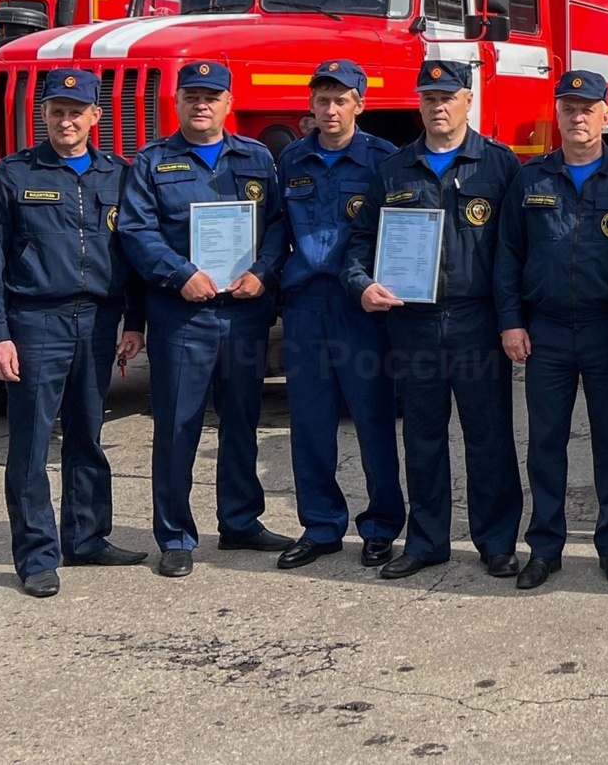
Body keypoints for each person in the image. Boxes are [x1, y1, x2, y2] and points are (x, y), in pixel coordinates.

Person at [343, 59, 523, 581]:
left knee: (488, 437)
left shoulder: (498, 165)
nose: (437, 105)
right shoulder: (395, 169)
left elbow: (515, 251)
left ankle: (495, 542)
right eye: (428, 97)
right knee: (422, 437)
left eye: (447, 96)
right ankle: (426, 541)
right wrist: (363, 285)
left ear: (468, 100)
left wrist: (513, 319)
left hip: (476, 320)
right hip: (413, 324)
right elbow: (360, 241)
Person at [0, 68, 147, 596]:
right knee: (29, 444)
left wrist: (134, 322)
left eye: (76, 111)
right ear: (43, 115)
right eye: (56, 110)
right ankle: (37, 556)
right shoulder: (13, 173)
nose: (66, 120)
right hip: (34, 323)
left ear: (96, 117)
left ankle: (87, 537)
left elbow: (132, 254)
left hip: (96, 323)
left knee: (88, 436)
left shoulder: (117, 174)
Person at [120, 60, 291, 577]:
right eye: (192, 95)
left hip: (243, 312)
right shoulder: (152, 162)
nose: (202, 104)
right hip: (183, 314)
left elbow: (278, 224)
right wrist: (179, 274)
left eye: (212, 96)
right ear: (177, 101)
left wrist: (263, 272)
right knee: (178, 424)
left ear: (228, 102)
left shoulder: (258, 158)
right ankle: (174, 534)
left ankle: (240, 522)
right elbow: (136, 232)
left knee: (241, 420)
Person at [496, 70, 608, 591]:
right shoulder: (531, 178)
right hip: (545, 332)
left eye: (588, 107)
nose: (578, 116)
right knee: (545, 442)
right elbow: (508, 256)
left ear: (607, 114)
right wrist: (511, 322)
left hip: (606, 330)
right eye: (569, 107)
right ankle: (544, 548)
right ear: (557, 114)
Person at [271, 60, 403, 571]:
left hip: (361, 310)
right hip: (305, 307)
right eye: (322, 99)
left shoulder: (382, 160)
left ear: (359, 105)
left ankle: (381, 525)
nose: (330, 109)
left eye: (341, 99)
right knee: (310, 422)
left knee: (372, 420)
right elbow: (274, 227)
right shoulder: (291, 161)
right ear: (311, 105)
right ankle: (321, 525)